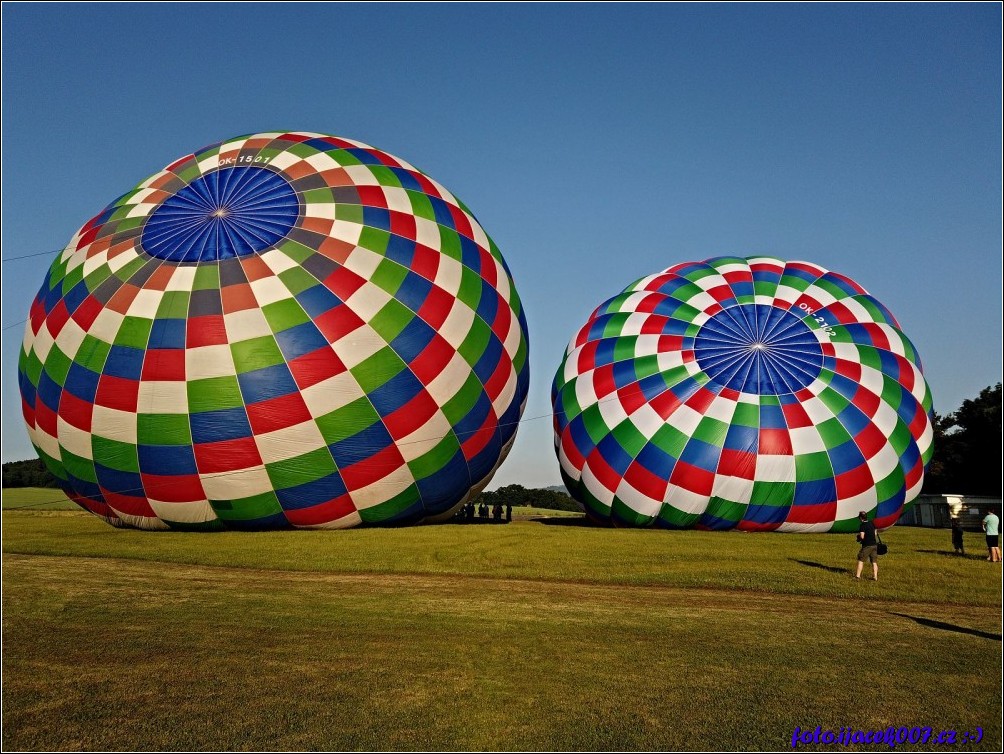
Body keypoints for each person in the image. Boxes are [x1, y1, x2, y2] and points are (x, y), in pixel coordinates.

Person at [854, 511, 879, 581]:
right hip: (874, 545)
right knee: (874, 562)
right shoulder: (871, 523)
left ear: (861, 518)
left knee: (861, 560)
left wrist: (858, 537)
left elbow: (862, 536)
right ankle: (875, 577)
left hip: (867, 545)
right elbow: (875, 533)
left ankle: (857, 576)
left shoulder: (862, 525)